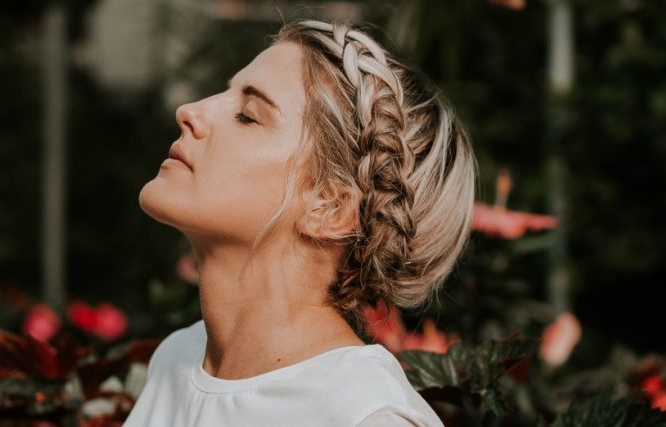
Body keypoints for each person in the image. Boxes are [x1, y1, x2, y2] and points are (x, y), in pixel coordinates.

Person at [126, 18, 476, 427]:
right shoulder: (176, 360)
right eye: (226, 92)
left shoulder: (364, 417)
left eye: (247, 115)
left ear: (329, 207)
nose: (189, 111)